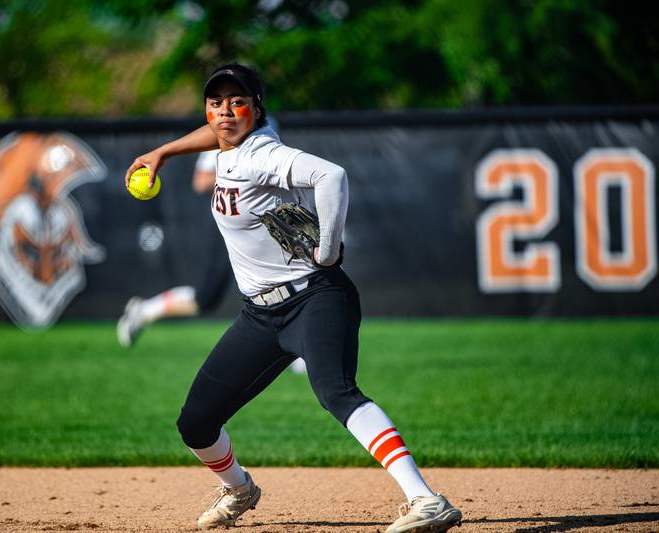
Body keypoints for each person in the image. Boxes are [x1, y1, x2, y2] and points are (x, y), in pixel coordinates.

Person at [123, 63, 462, 533]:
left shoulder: (261, 152)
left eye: (237, 101)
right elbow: (216, 135)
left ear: (257, 108)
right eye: (215, 102)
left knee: (336, 393)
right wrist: (162, 152)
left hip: (315, 297)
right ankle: (240, 489)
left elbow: (333, 176)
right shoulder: (229, 147)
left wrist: (327, 250)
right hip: (261, 315)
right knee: (195, 423)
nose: (225, 111)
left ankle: (426, 501)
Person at [117, 120, 308, 374]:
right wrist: (245, 171)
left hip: (265, 219)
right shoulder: (226, 130)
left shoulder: (267, 122)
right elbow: (201, 181)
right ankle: (145, 310)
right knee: (205, 299)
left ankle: (298, 347)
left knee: (288, 275)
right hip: (233, 222)